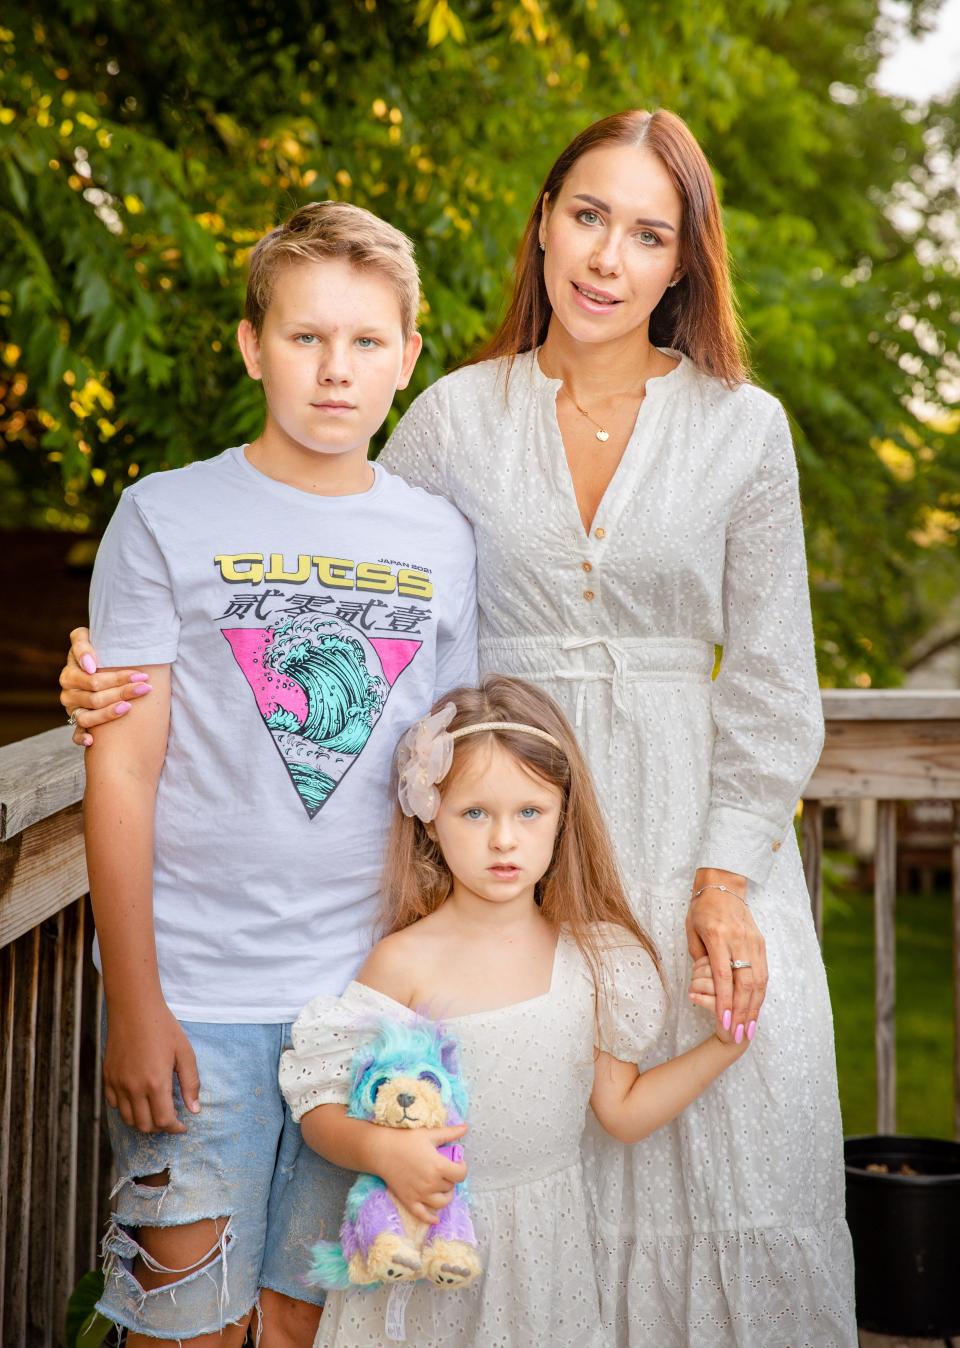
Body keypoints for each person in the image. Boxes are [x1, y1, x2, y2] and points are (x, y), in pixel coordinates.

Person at [61, 108, 857, 1344]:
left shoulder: (742, 428)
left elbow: (771, 677)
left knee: (723, 1164)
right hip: (494, 872)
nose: (607, 256)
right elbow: (354, 585)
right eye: (587, 215)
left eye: (649, 233)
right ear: (542, 223)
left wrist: (725, 873)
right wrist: (108, 674)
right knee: (487, 1200)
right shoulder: (445, 423)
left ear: (685, 261)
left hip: (692, 849)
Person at [79, 201, 478, 1347]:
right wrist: (136, 1002)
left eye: (365, 342)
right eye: (305, 337)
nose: (335, 370)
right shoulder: (163, 516)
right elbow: (124, 770)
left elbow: (445, 771)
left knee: (309, 1326)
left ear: (407, 358)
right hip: (196, 998)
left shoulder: (442, 540)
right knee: (185, 1325)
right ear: (253, 346)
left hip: (367, 1011)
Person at [279, 676, 748, 1348]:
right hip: (429, 1237)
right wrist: (382, 1149)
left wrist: (722, 1047)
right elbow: (320, 1103)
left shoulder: (592, 958)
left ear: (563, 817)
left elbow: (621, 1112)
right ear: (431, 817)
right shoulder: (403, 963)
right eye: (475, 813)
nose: (504, 839)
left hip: (544, 1258)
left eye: (530, 812)